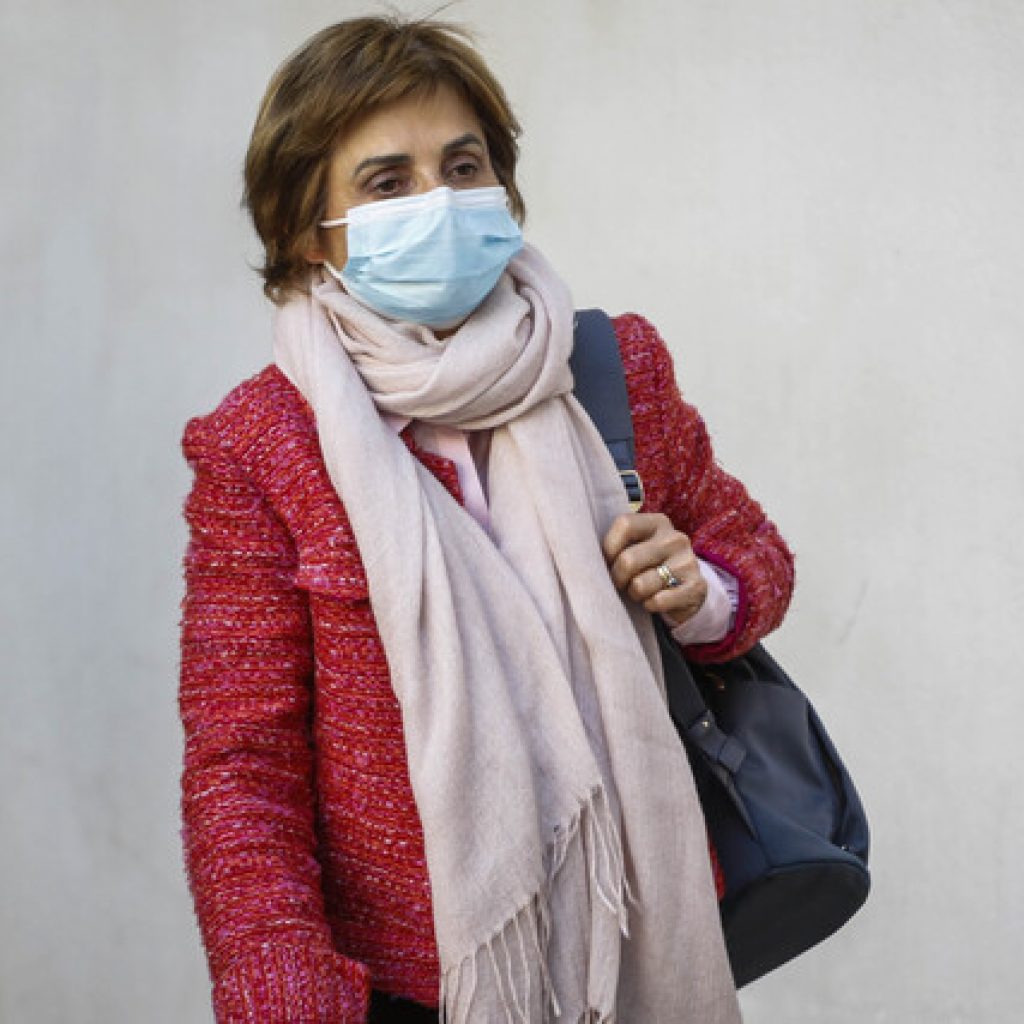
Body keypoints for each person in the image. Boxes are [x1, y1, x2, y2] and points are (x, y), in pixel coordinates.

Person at [178, 15, 794, 1024]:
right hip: (412, 984)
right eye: (387, 183)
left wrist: (701, 591)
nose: (439, 200)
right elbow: (242, 762)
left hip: (642, 943)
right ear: (306, 233)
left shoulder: (611, 367)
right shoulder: (261, 445)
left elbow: (754, 556)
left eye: (463, 167)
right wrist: (286, 993)